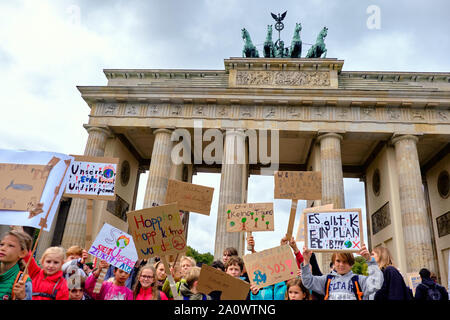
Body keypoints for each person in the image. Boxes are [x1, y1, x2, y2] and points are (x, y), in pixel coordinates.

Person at [301, 244, 383, 300]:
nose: (341, 264)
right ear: (333, 262)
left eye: (345, 261)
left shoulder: (358, 280)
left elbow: (376, 283)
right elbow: (308, 282)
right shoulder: (327, 280)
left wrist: (369, 260)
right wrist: (306, 260)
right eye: (338, 261)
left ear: (351, 263)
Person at [0, 229, 33, 300]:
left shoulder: (23, 282)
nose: (3, 248)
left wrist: (22, 297)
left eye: (10, 245)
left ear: (22, 253)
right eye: (1, 244)